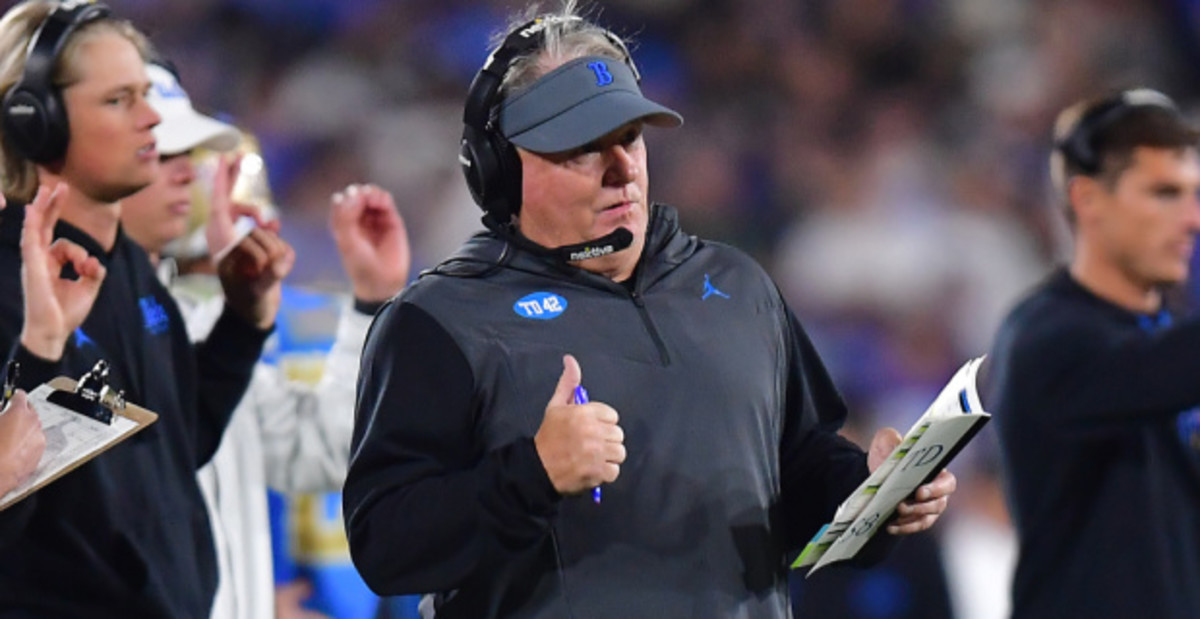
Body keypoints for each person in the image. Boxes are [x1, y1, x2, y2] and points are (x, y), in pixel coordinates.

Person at [344, 4, 956, 617]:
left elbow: (799, 466)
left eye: (629, 138)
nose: (622, 172)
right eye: (581, 148)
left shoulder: (737, 286)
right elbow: (385, 548)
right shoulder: (441, 320)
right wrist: (531, 475)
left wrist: (873, 496)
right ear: (501, 167)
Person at [0, 1, 290, 615]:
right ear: (36, 121)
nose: (152, 118)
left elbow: (173, 448)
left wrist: (244, 320)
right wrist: (37, 353)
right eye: (118, 100)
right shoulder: (9, 281)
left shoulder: (134, 273)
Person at [119, 58, 412, 619]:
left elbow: (318, 453)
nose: (188, 176)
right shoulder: (50, 318)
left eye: (191, 158)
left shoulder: (208, 321)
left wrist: (372, 305)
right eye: (167, 156)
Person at [985, 88, 1200, 618]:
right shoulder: (1043, 337)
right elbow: (1148, 374)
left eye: (1195, 194)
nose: (1193, 219)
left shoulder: (1163, 336)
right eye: (1165, 193)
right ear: (1088, 201)